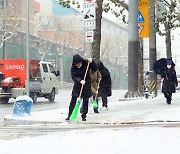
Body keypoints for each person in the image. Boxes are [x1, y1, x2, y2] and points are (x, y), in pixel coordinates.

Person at [65, 54, 97, 121]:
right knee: (73, 100)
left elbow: (95, 68)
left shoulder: (86, 63)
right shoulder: (73, 67)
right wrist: (80, 80)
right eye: (76, 64)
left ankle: (84, 115)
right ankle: (70, 115)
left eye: (79, 63)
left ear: (81, 61)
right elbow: (73, 76)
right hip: (77, 85)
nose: (78, 65)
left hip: (86, 85)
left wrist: (92, 62)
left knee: (85, 100)